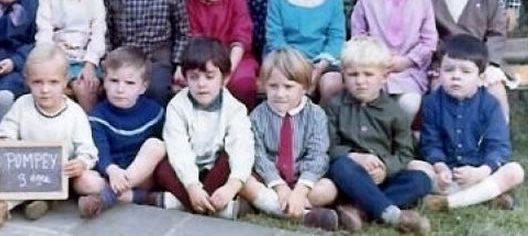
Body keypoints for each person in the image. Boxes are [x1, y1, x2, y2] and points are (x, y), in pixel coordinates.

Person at [325, 36, 432, 234]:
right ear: (343, 76)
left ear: (384, 76)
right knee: (341, 166)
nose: (361, 81)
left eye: (368, 74)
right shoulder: (335, 106)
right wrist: (353, 156)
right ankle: (392, 215)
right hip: (348, 176)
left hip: (380, 179)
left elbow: (405, 152)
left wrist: (385, 168)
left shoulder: (394, 112)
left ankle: (359, 210)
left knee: (421, 179)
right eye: (353, 75)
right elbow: (327, 145)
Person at [0, 43, 101, 227]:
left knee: (90, 182)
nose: (45, 89)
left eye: (53, 82)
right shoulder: (22, 105)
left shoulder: (75, 113)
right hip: (24, 175)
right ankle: (4, 207)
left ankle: (47, 199)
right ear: (27, 81)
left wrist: (81, 163)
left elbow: (88, 150)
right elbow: (5, 133)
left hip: (61, 176)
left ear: (65, 81)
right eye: (37, 82)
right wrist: (1, 150)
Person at [413, 34, 524, 212]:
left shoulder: (490, 105)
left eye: (465, 71)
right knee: (415, 167)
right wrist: (441, 168)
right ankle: (484, 196)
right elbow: (430, 143)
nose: (456, 77)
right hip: (446, 173)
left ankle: (449, 202)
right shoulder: (431, 103)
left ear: (480, 77)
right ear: (439, 71)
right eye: (449, 70)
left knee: (515, 171)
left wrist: (481, 171)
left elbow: (498, 146)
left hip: (480, 170)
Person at [154, 38, 254, 220]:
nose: (201, 84)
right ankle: (213, 208)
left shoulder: (235, 108)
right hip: (185, 172)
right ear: (185, 78)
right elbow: (178, 149)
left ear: (225, 78)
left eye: (209, 77)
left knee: (229, 161)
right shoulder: (177, 106)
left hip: (214, 170)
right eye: (194, 77)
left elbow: (242, 147)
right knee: (162, 168)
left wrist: (231, 187)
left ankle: (177, 203)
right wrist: (192, 186)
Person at [246, 48, 340, 231]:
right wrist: (279, 186)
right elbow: (258, 155)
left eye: (288, 87)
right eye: (273, 86)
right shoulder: (258, 116)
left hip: (304, 181)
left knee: (329, 188)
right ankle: (304, 215)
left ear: (305, 87)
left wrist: (300, 190)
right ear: (264, 85)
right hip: (270, 179)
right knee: (244, 181)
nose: (280, 94)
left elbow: (317, 156)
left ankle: (271, 206)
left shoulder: (316, 115)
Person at [350, 0, 438, 125]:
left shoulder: (422, 0)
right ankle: (374, 141)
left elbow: (429, 41)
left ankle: (398, 139)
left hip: (409, 70)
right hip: (372, 70)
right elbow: (358, 36)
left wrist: (407, 61)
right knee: (370, 102)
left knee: (410, 103)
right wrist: (375, 60)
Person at [429, 0, 511, 119]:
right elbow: (428, 34)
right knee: (438, 89)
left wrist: (488, 63)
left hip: (480, 61)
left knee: (496, 90)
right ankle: (446, 139)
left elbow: (497, 32)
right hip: (446, 62)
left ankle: (497, 140)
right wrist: (440, 61)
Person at [78, 47, 166, 217]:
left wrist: (131, 175)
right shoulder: (98, 116)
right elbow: (100, 152)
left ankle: (108, 197)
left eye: (130, 83)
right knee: (82, 181)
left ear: (143, 87)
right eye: (114, 80)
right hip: (111, 175)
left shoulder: (155, 112)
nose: (120, 89)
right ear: (104, 81)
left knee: (156, 145)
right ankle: (140, 198)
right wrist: (112, 170)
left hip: (143, 175)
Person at [266, 0, 345, 104]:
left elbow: (337, 37)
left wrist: (321, 65)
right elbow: (275, 37)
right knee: (288, 83)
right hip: (286, 58)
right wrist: (298, 65)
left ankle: (323, 122)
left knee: (332, 84)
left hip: (323, 60)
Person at [36, 0, 106, 112]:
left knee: (84, 87)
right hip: (55, 58)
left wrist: (90, 64)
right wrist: (51, 63)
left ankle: (91, 125)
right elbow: (44, 33)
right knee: (48, 85)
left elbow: (98, 32)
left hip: (84, 59)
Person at [185, 0, 258, 110]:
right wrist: (213, 70)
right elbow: (194, 38)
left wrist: (228, 70)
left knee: (243, 82)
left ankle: (245, 121)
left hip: (237, 57)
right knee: (193, 81)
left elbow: (241, 37)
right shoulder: (190, 2)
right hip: (202, 58)